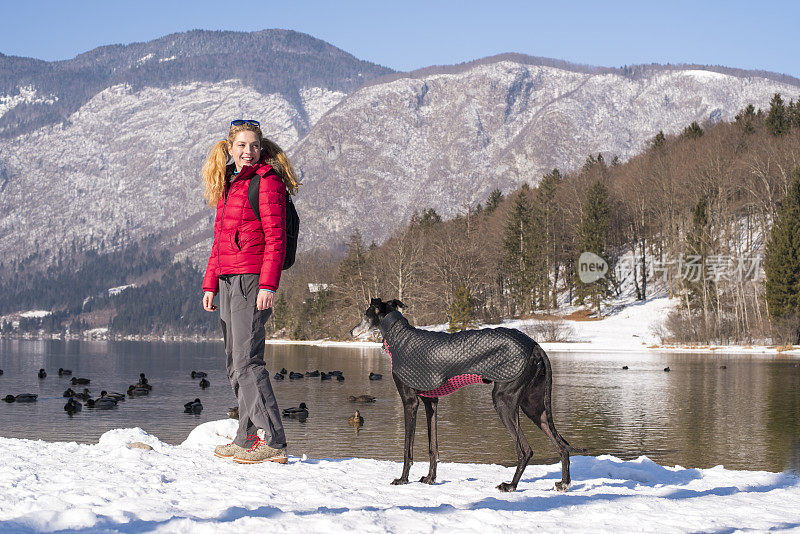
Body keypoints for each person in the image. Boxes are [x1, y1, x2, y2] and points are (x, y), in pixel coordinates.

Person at [201, 119, 299, 464]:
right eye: (241, 146)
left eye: (254, 145)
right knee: (234, 363)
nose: (248, 151)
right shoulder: (228, 183)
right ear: (230, 148)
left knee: (247, 361)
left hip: (252, 279)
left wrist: (268, 284)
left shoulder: (267, 182)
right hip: (228, 279)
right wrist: (210, 283)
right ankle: (246, 438)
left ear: (262, 148)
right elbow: (219, 240)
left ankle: (273, 440)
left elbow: (276, 239)